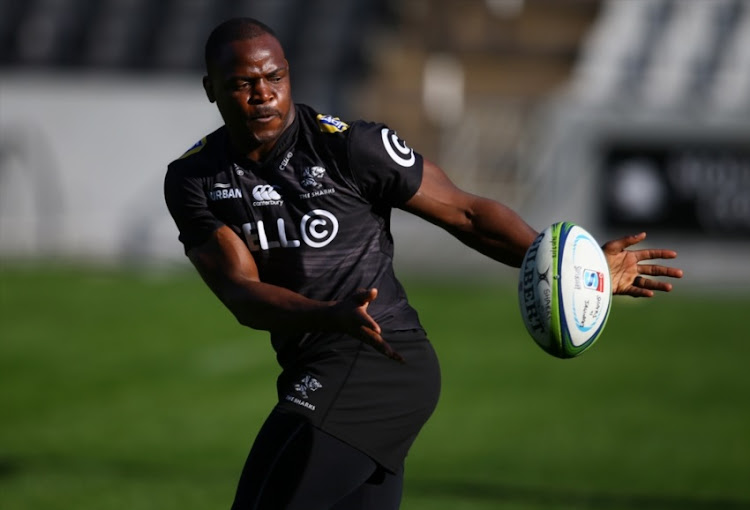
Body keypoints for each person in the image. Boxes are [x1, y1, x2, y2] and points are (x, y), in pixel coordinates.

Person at [163, 17, 683, 510]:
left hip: (381, 361)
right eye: (242, 83)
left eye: (274, 77)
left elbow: (467, 213)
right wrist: (327, 314)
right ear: (211, 89)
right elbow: (241, 293)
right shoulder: (194, 179)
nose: (263, 94)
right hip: (315, 360)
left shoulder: (349, 147)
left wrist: (571, 270)